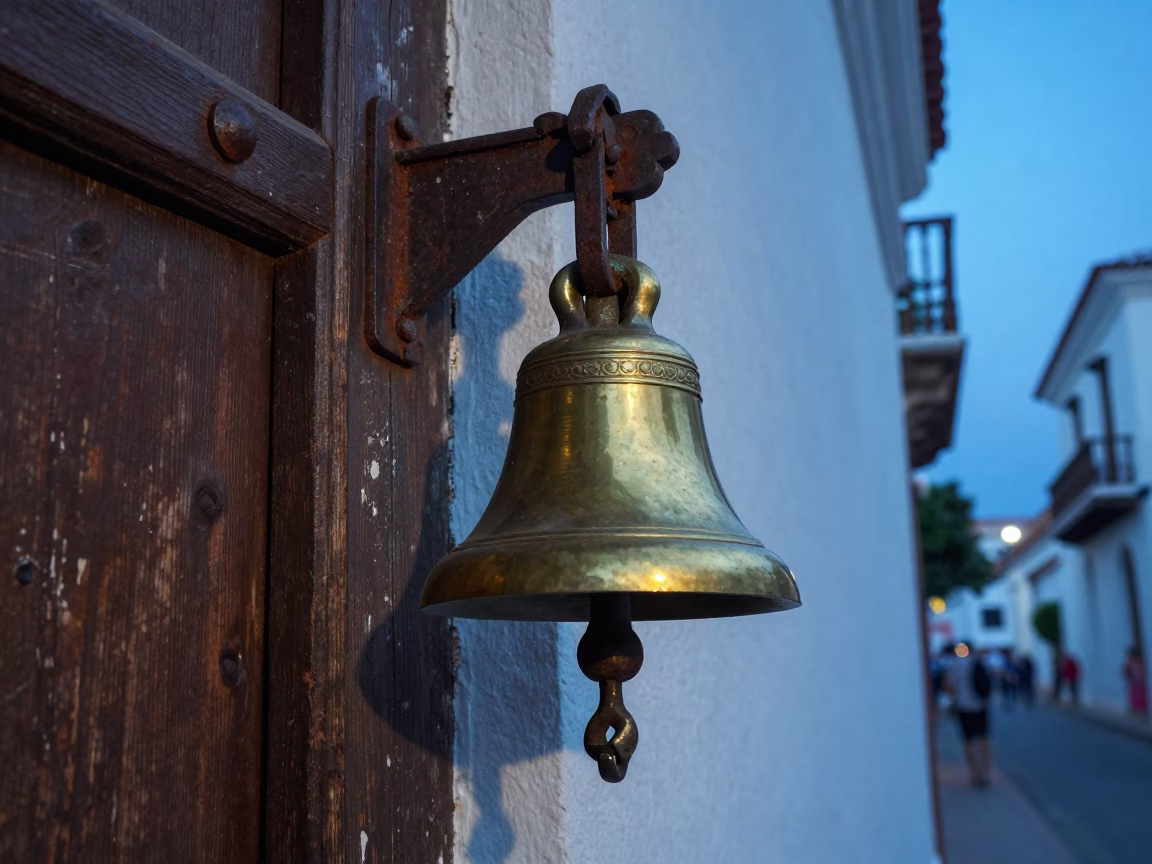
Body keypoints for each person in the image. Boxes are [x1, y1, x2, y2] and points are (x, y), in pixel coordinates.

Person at [945, 644, 992, 786]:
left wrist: (956, 697)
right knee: (984, 738)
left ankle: (974, 773)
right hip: (980, 705)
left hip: (964, 707)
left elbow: (949, 687)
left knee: (968, 740)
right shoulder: (977, 661)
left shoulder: (954, 664)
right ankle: (985, 772)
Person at [1123, 646, 1148, 716]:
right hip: (1135, 683)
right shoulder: (1131, 663)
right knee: (1135, 696)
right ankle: (1137, 710)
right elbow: (1126, 672)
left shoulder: (1138, 662)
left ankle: (1141, 710)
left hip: (1139, 683)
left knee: (1139, 697)